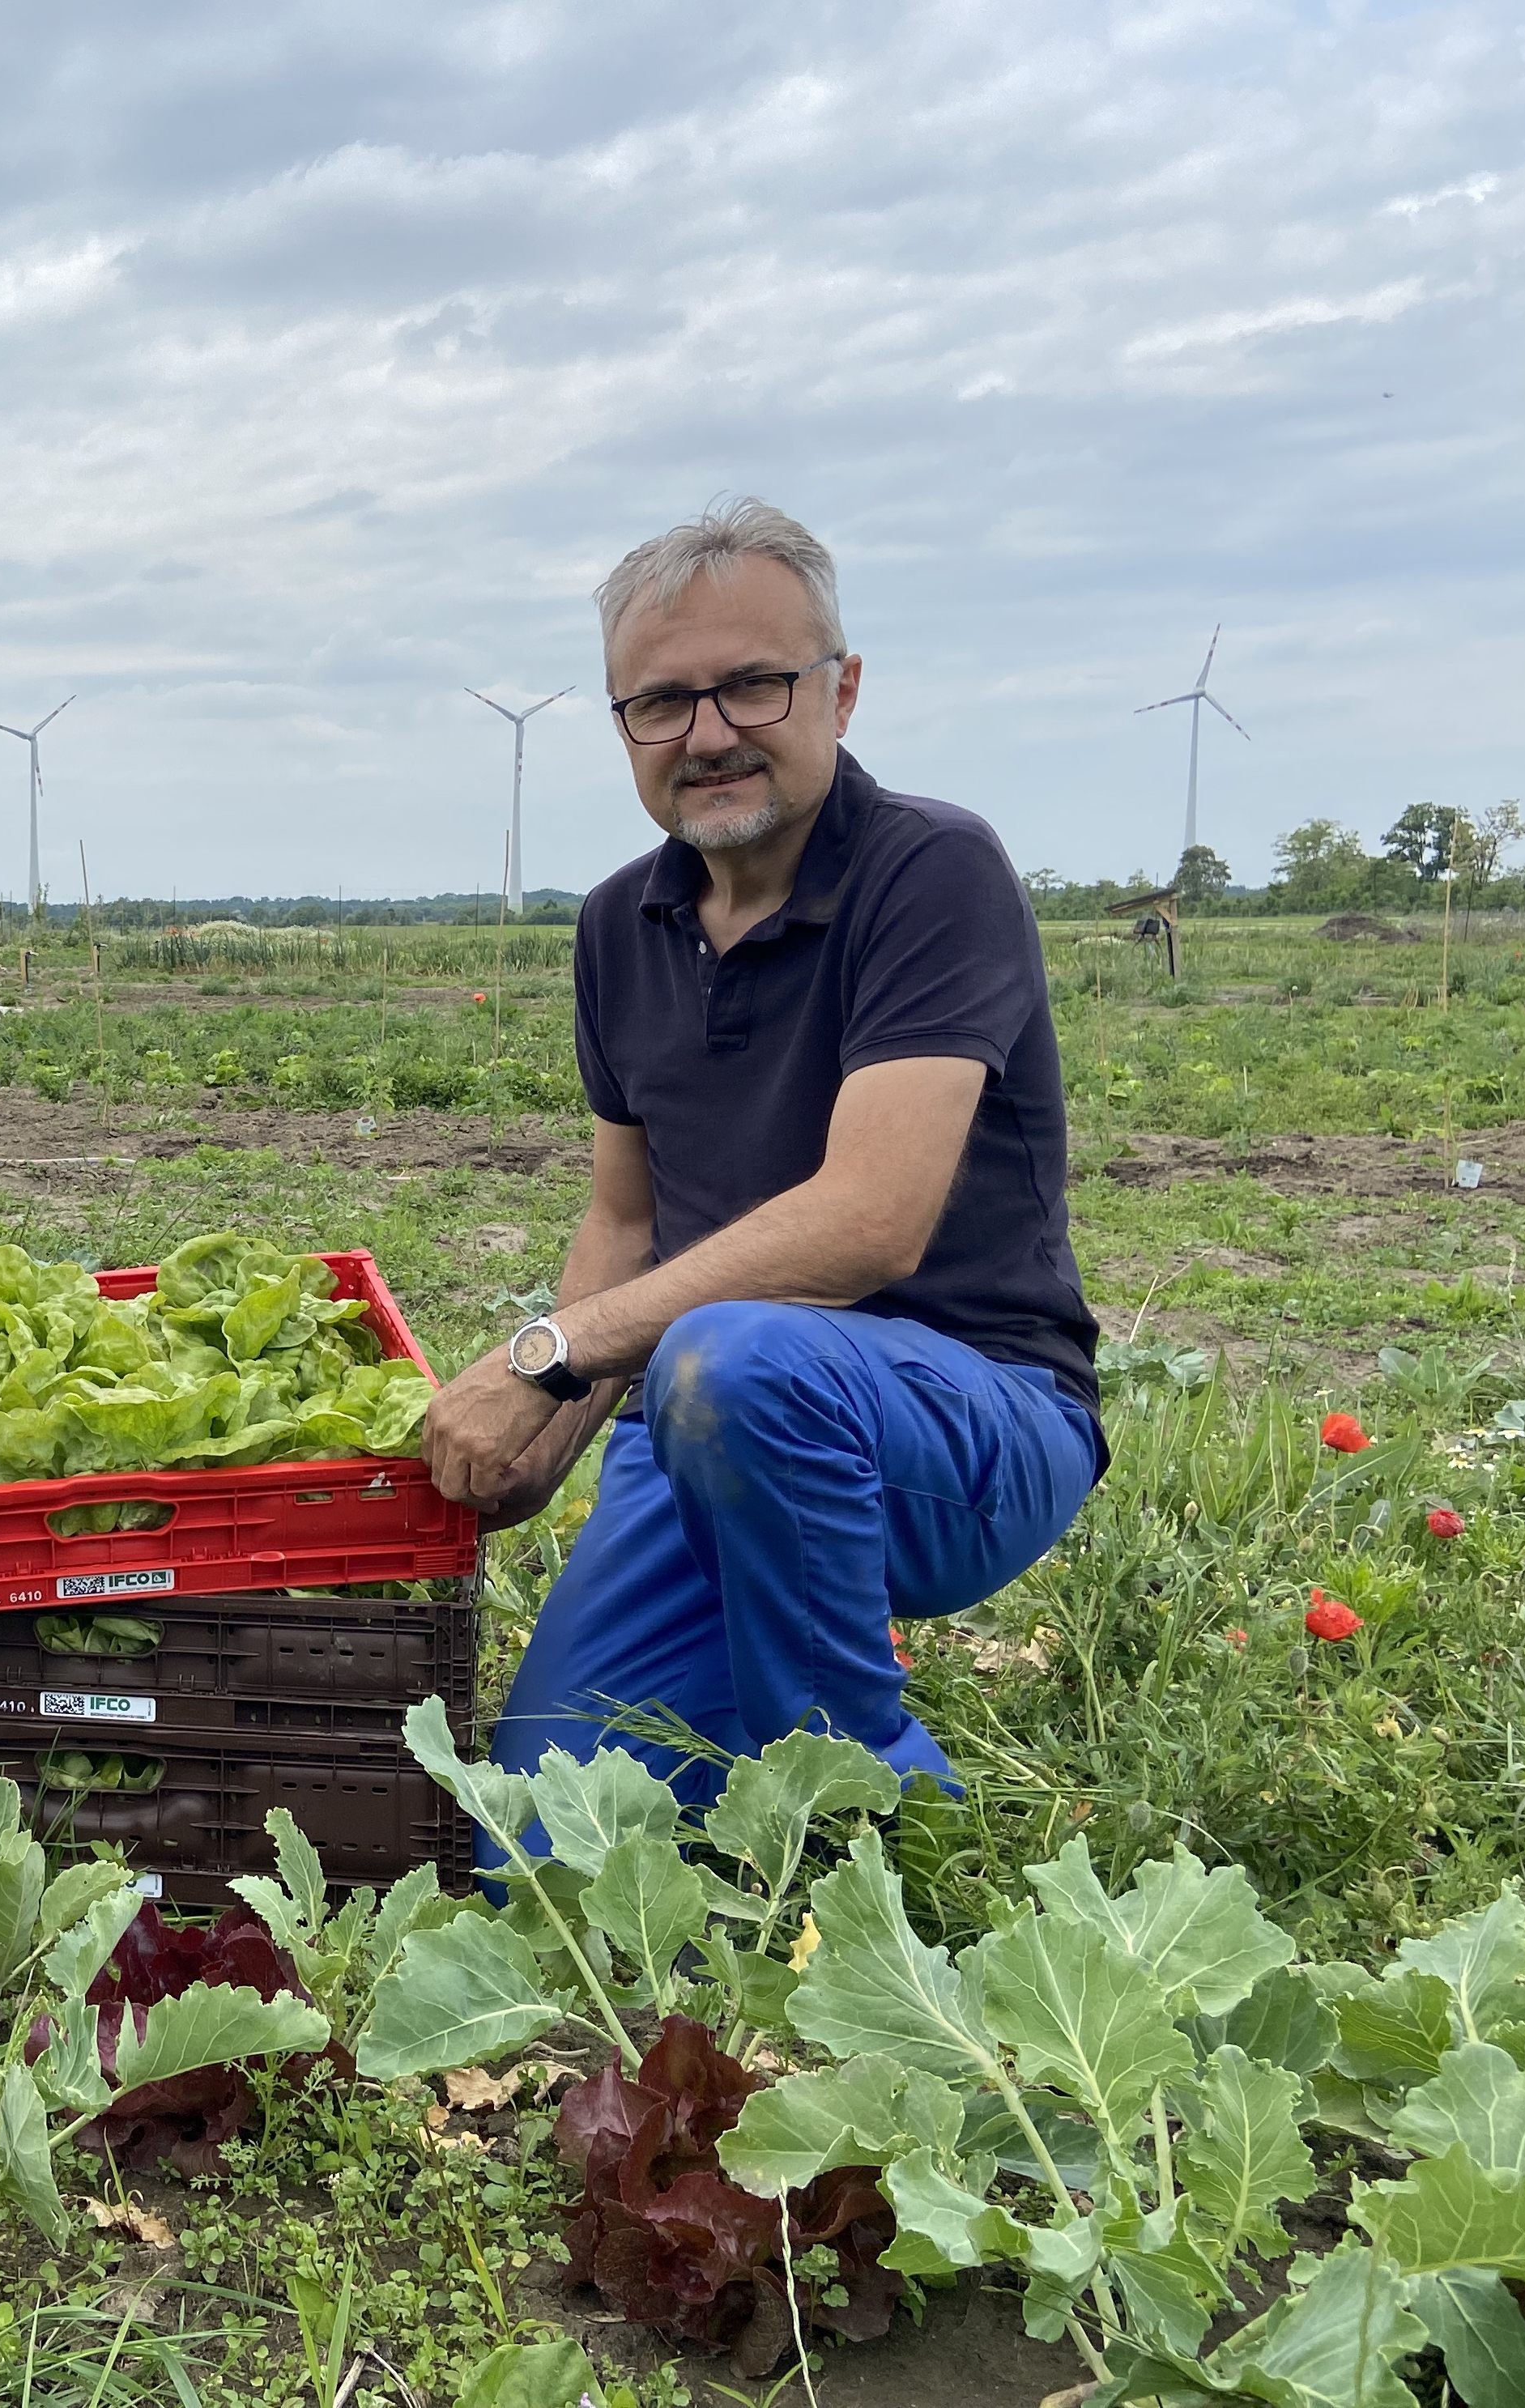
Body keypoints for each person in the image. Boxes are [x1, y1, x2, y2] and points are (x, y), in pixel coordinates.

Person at [424, 500, 1104, 1811]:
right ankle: (752, 1699)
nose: (709, 734)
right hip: (701, 1420)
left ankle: (857, 1799)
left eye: (751, 685)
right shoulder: (621, 922)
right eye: (661, 702)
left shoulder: (932, 871)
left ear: (839, 692)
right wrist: (540, 1447)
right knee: (547, 1837)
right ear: (622, 725)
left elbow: (868, 1223)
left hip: (970, 1418)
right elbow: (623, 1224)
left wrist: (547, 1356)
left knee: (733, 1355)